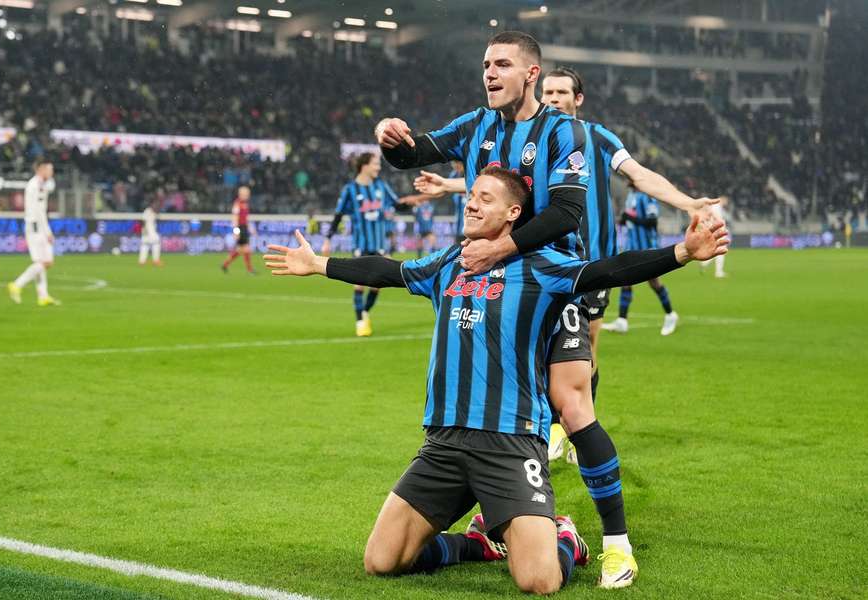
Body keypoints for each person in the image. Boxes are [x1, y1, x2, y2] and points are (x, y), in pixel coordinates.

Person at [264, 167, 728, 595]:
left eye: (484, 198)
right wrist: (319, 263)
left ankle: (566, 538)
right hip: (444, 443)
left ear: (512, 214)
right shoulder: (450, 261)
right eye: (470, 196)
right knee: (382, 561)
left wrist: (683, 252)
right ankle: (477, 545)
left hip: (510, 443)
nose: (470, 203)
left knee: (539, 580)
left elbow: (607, 269)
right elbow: (389, 271)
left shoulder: (542, 266)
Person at [387, 34, 717, 587]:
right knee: (490, 405)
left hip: (554, 282)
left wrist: (686, 207)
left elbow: (568, 212)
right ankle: (500, 522)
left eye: (502, 64)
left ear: (533, 75)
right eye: (486, 64)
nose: (490, 73)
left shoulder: (572, 134)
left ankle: (614, 544)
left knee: (572, 403)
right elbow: (413, 152)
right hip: (490, 282)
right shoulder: (475, 126)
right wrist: (392, 140)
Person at [321, 152, 423, 337]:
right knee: (359, 284)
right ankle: (360, 321)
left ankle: (365, 311)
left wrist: (414, 202)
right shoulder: (350, 190)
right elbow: (338, 216)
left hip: (379, 244)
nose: (378, 167)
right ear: (365, 166)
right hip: (360, 245)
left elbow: (397, 205)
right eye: (375, 164)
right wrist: (328, 239)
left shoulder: (381, 186)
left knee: (377, 285)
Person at [603, 186, 678, 335]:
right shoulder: (631, 195)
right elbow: (629, 220)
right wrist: (623, 220)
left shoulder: (648, 196)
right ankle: (622, 320)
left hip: (647, 247)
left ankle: (670, 314)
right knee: (626, 280)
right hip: (632, 246)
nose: (626, 179)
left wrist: (630, 217)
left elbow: (652, 222)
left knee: (654, 281)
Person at [8, 157, 60, 307]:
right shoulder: (36, 185)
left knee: (40, 262)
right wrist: (47, 231)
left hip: (36, 226)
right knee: (47, 262)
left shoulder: (39, 184)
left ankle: (43, 296)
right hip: (36, 227)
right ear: (41, 169)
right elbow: (38, 211)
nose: (51, 172)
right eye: (49, 169)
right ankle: (17, 284)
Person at [221, 186, 256, 275]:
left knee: (240, 250)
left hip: (244, 228)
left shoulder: (245, 204)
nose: (247, 196)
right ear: (241, 194)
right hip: (240, 228)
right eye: (246, 194)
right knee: (246, 249)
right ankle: (250, 270)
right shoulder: (237, 204)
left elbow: (245, 218)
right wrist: (236, 231)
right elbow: (235, 219)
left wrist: (250, 228)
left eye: (248, 194)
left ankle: (225, 264)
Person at [700, 196, 729, 278]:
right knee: (721, 250)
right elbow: (717, 218)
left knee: (716, 249)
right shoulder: (717, 207)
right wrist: (723, 228)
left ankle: (705, 263)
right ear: (722, 200)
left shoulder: (713, 207)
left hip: (713, 231)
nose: (726, 203)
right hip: (718, 231)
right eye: (725, 201)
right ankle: (718, 272)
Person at [138, 201, 162, 266]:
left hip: (150, 232)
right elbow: (143, 221)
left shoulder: (153, 212)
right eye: (155, 205)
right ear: (151, 205)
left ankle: (142, 261)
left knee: (145, 245)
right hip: (148, 232)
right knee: (156, 243)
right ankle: (156, 260)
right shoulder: (147, 211)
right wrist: (144, 230)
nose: (156, 206)